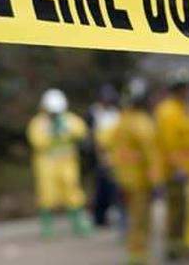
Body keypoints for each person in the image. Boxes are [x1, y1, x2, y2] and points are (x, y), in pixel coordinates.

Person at [109, 78, 163, 265]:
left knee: (132, 217)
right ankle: (138, 256)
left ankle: (134, 254)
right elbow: (151, 154)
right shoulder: (143, 123)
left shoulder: (121, 121)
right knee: (141, 220)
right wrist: (156, 181)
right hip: (140, 181)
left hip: (123, 179)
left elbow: (112, 148)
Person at [27, 88, 92, 238]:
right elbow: (36, 141)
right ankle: (47, 226)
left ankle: (78, 222)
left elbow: (81, 131)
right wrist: (51, 133)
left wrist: (67, 130)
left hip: (67, 162)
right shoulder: (39, 123)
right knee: (47, 194)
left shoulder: (69, 119)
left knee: (72, 189)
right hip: (46, 164)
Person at [155, 68, 189, 260]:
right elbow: (169, 144)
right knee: (176, 210)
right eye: (185, 88)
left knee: (182, 209)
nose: (188, 91)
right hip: (174, 169)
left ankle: (179, 244)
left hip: (184, 168)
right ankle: (173, 247)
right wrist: (178, 167)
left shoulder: (181, 109)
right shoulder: (169, 112)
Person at [86, 84, 122, 227]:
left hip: (114, 154)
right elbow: (89, 133)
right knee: (100, 187)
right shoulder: (93, 112)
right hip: (98, 155)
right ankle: (99, 216)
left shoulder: (116, 113)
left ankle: (112, 214)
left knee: (113, 186)